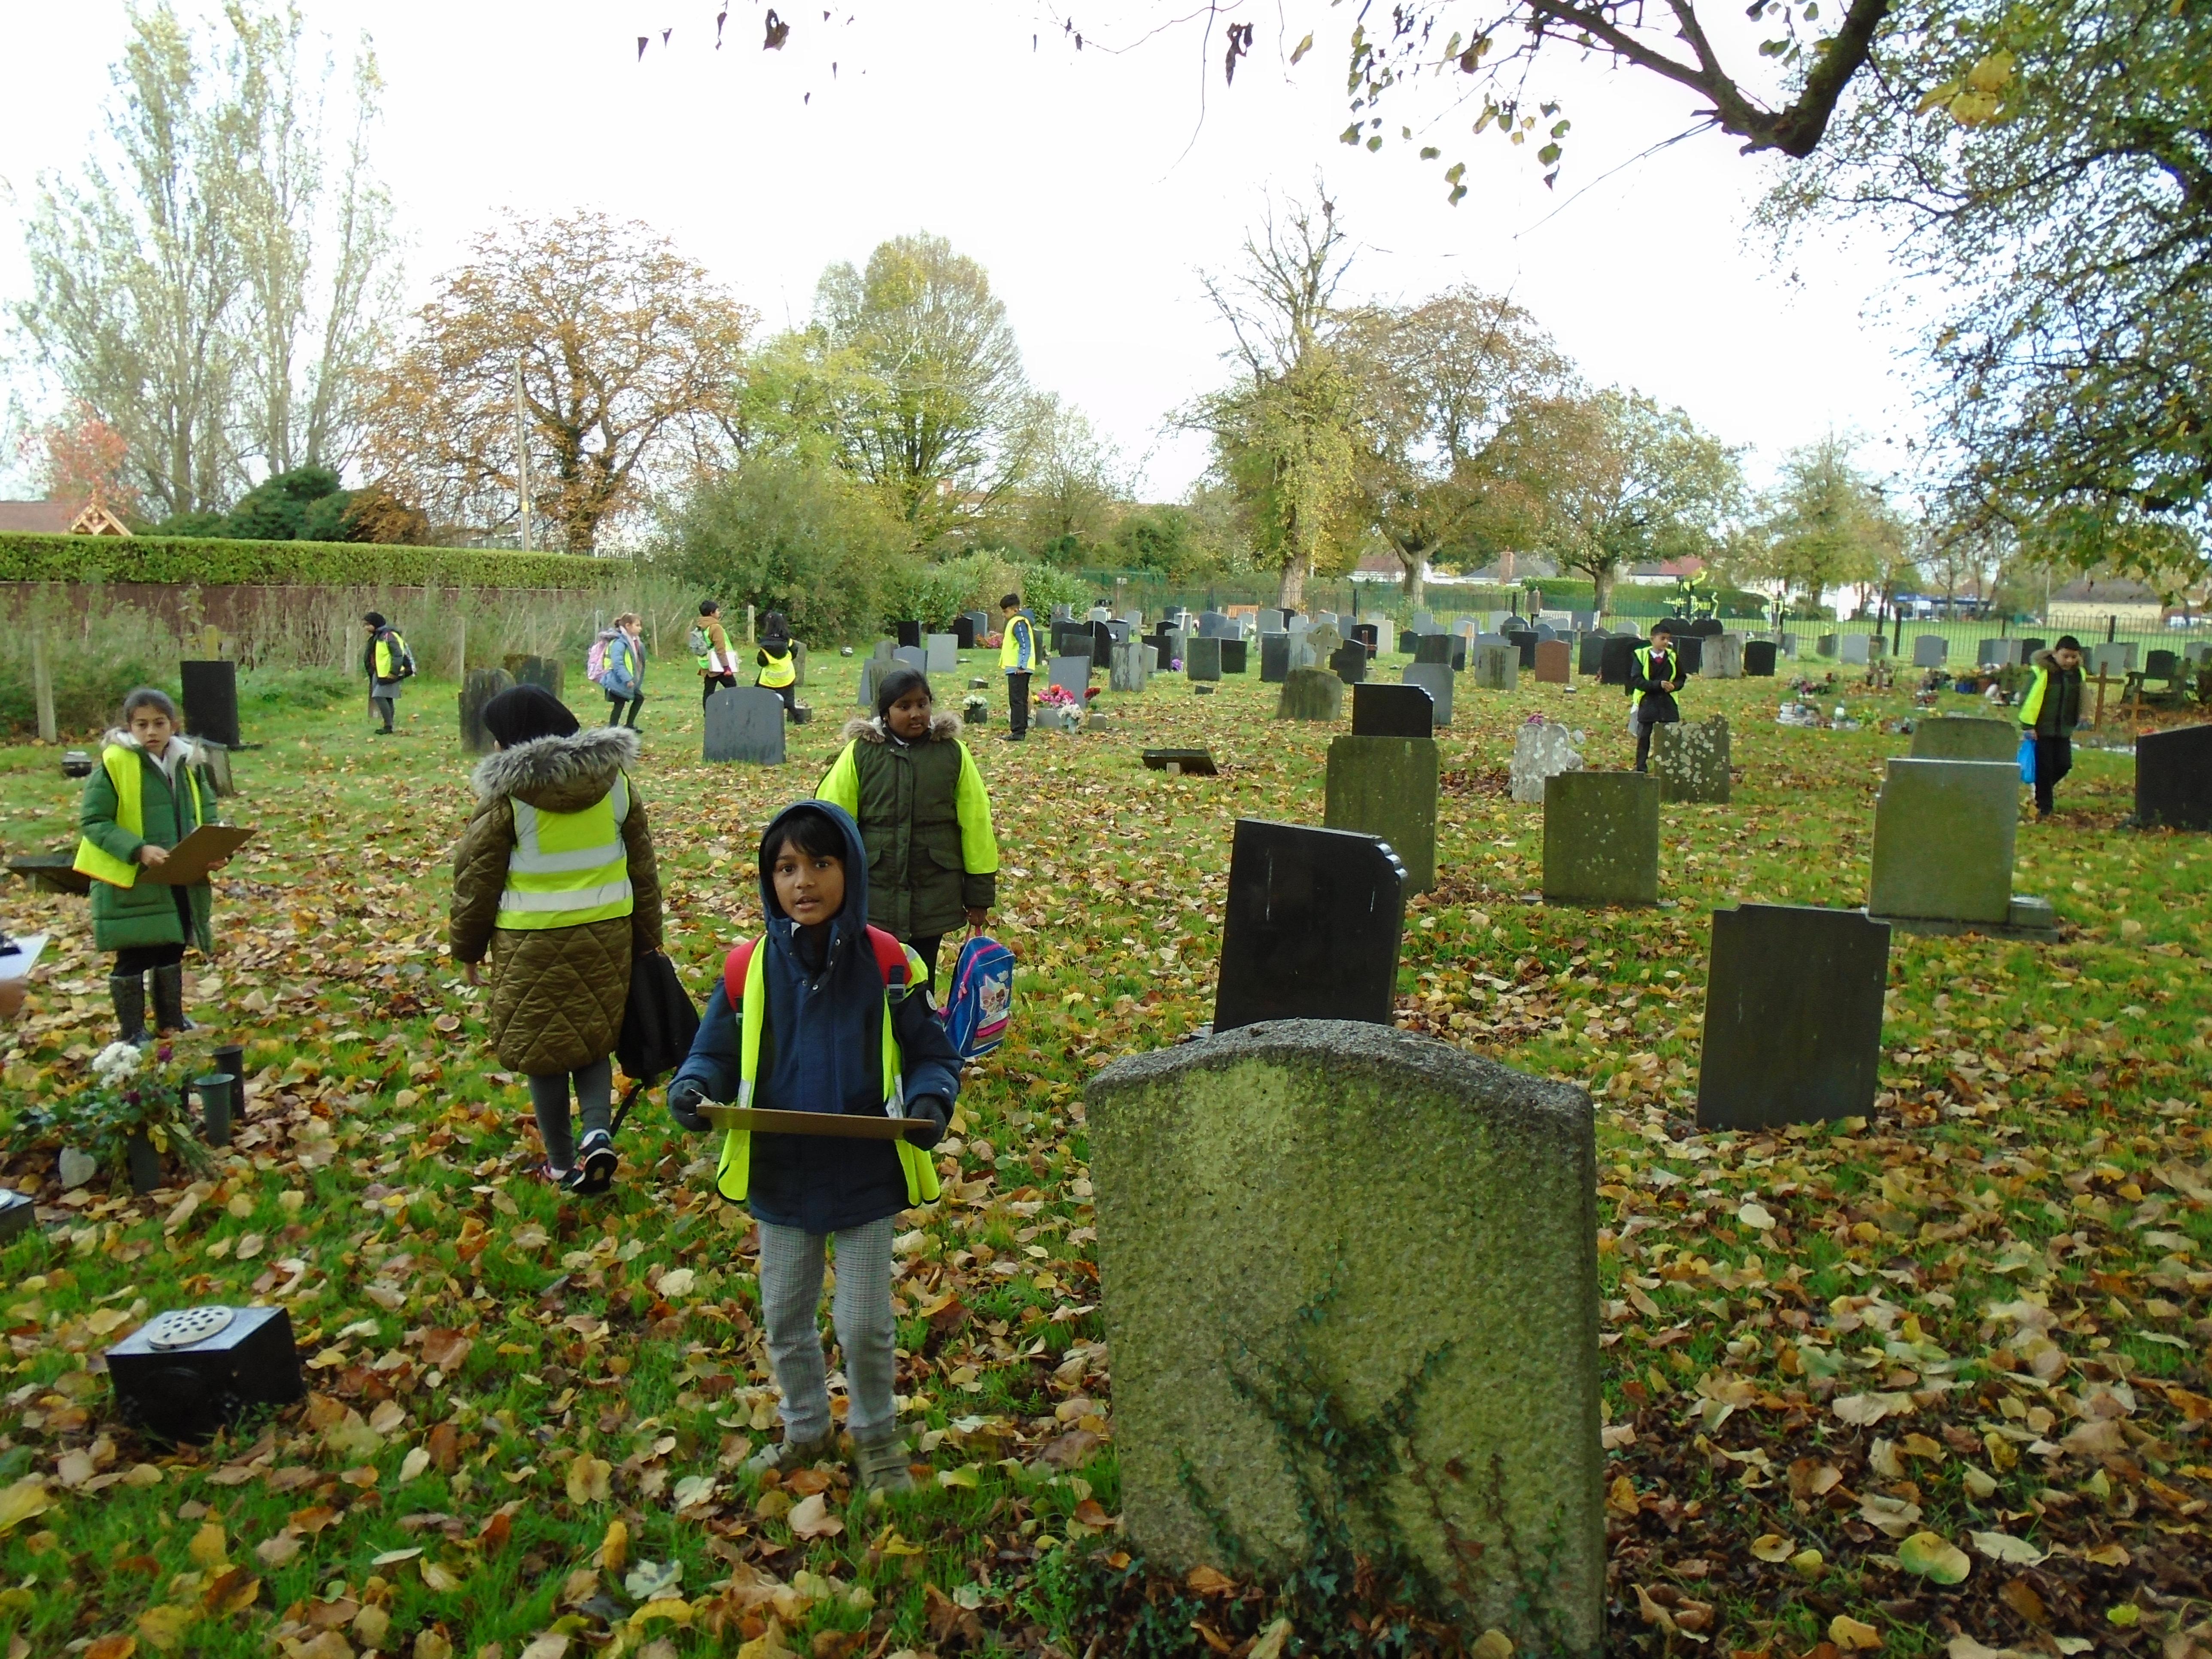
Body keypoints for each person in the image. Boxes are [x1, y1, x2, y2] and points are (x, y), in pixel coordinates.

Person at [665, 801, 960, 1494]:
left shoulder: (890, 963)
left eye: (821, 864)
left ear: (850, 869)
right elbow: (713, 1050)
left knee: (863, 1324)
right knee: (785, 1316)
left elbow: (932, 1053)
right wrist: (693, 1086)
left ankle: (876, 1435)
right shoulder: (748, 968)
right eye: (787, 867)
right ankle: (805, 1426)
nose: (804, 882)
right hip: (783, 1174)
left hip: (865, 1173)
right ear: (768, 878)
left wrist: (930, 1100)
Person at [450, 685, 665, 1193]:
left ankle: (563, 1164)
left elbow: (476, 881)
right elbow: (643, 867)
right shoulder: (616, 784)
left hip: (531, 943)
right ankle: (597, 1133)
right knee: (592, 1039)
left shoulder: (508, 798)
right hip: (606, 936)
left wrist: (468, 949)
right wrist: (647, 938)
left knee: (542, 1053)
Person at [815, 667, 997, 993]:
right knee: (873, 974)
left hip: (933, 888)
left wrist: (979, 894)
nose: (916, 714)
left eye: (922, 704)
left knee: (922, 975)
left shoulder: (952, 753)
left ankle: (921, 1020)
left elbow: (976, 823)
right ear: (885, 713)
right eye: (904, 706)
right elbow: (833, 821)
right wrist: (828, 885)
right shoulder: (861, 753)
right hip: (875, 889)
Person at [74, 688, 222, 1042]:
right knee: (135, 952)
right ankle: (132, 1031)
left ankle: (171, 1020)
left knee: (172, 945)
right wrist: (138, 850)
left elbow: (206, 811)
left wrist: (212, 850)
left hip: (178, 873)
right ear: (129, 727)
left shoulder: (188, 763)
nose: (151, 732)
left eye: (159, 723)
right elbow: (94, 821)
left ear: (174, 725)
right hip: (132, 878)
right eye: (142, 725)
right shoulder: (115, 764)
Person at [2019, 635, 2086, 820]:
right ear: (2056, 653)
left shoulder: (2077, 674)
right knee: (2045, 767)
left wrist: (2081, 716)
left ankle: (2042, 788)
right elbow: (2027, 699)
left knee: (2064, 764)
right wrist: (2028, 726)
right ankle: (2044, 807)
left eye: (2074, 657)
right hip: (2041, 729)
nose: (2070, 661)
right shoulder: (2042, 672)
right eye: (2066, 656)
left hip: (2064, 729)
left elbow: (2080, 698)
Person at [1629, 621, 1686, 773]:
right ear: (1652, 639)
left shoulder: (1673, 657)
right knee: (1644, 736)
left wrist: (1674, 686)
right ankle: (1641, 768)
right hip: (1648, 701)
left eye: (1668, 639)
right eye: (1663, 638)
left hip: (1668, 702)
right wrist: (1657, 685)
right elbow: (1636, 680)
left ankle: (1669, 768)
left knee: (1670, 736)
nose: (1666, 642)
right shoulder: (1641, 656)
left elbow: (1681, 677)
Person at [998, 591, 1043, 742]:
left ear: (1015, 610)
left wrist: (1022, 666)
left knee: (1017, 700)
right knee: (1021, 699)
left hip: (1019, 669)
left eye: (1006, 611)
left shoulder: (1018, 622)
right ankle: (1021, 729)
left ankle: (1017, 732)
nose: (1004, 615)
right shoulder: (1018, 621)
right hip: (1018, 668)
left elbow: (1025, 644)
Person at [362, 612, 413, 735]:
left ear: (375, 624)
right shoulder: (378, 636)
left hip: (389, 673)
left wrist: (393, 673)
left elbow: (398, 655)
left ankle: (388, 726)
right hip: (379, 673)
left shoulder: (388, 635)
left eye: (368, 625)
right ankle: (388, 726)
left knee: (379, 696)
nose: (366, 628)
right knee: (387, 698)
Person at [599, 613, 646, 729]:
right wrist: (627, 679)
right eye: (637, 625)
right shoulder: (620, 643)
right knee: (620, 704)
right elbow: (618, 663)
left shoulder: (634, 642)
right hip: (618, 680)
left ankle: (628, 725)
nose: (640, 628)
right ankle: (612, 729)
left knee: (637, 699)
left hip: (627, 680)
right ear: (628, 626)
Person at [693, 599, 738, 706]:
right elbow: (720, 649)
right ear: (712, 613)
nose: (719, 613)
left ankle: (708, 713)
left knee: (709, 691)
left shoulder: (701, 626)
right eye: (717, 611)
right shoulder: (716, 627)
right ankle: (733, 710)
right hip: (718, 664)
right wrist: (726, 667)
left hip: (706, 663)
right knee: (733, 688)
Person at [756, 611, 798, 715]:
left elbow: (762, 663)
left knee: (758, 694)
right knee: (789, 702)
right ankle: (799, 718)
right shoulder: (788, 641)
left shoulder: (764, 644)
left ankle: (762, 716)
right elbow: (795, 653)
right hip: (787, 678)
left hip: (768, 681)